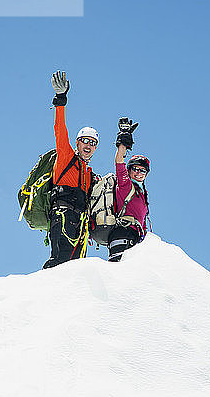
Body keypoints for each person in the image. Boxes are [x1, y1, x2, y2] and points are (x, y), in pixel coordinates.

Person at [43, 71, 99, 269]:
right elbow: (60, 129)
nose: (88, 145)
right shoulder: (66, 155)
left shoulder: (90, 175)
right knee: (60, 261)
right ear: (77, 142)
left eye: (93, 143)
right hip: (63, 214)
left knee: (76, 267)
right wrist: (60, 100)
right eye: (85, 141)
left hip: (80, 222)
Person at [108, 118, 150, 262]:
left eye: (143, 171)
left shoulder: (142, 195)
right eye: (135, 169)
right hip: (122, 234)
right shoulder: (125, 185)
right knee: (117, 275)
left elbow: (142, 222)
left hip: (135, 237)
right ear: (129, 170)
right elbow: (119, 162)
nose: (139, 172)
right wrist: (123, 143)